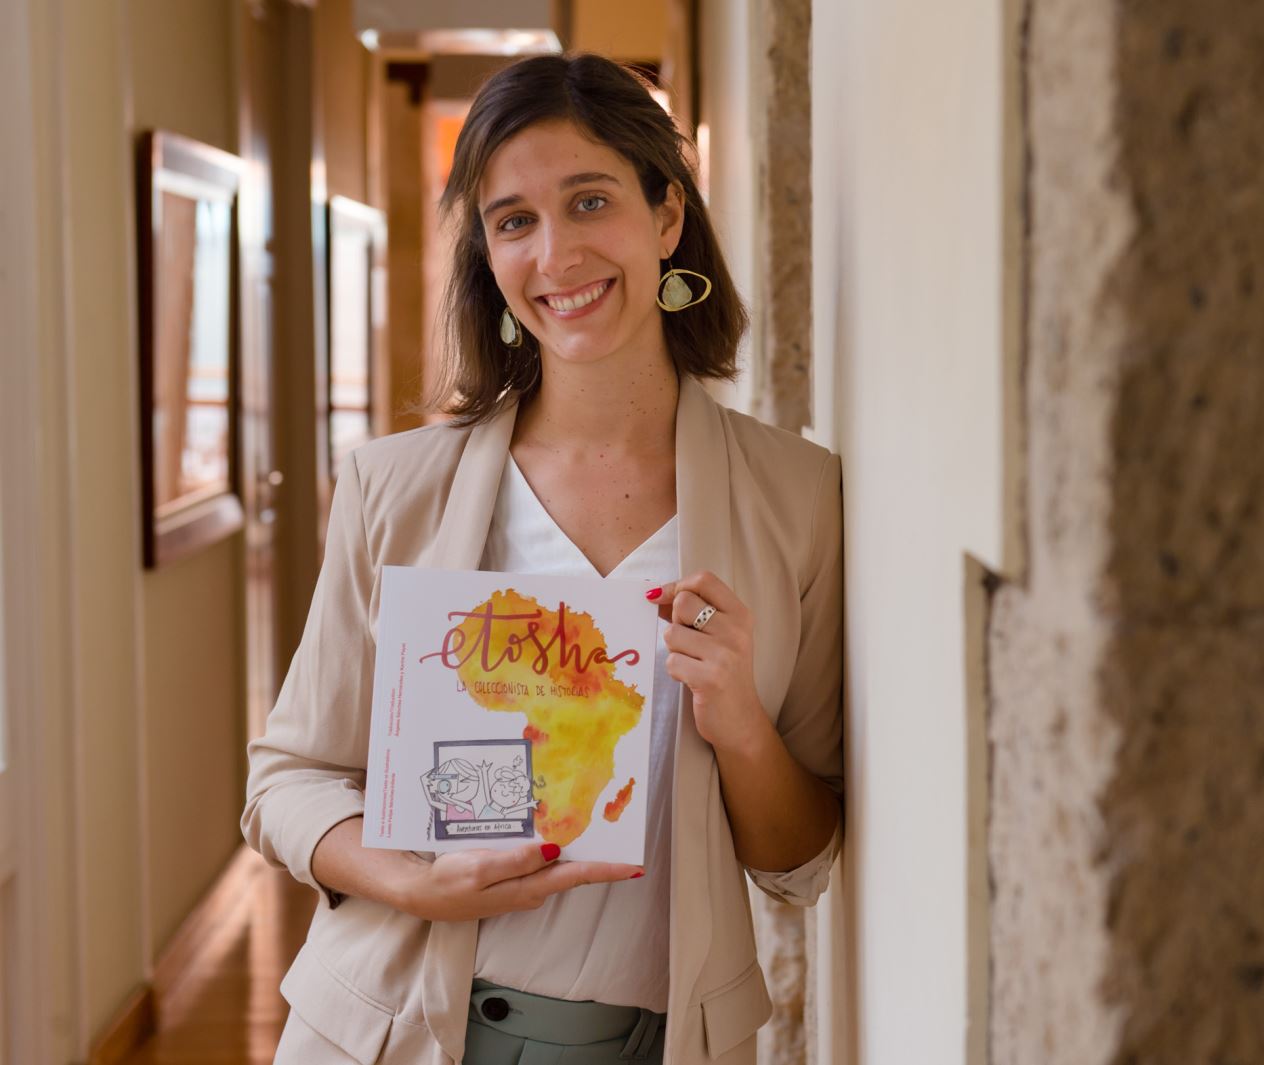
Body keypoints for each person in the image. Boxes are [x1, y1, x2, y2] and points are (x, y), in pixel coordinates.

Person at [240, 52, 845, 1065]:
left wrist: (738, 719)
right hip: (392, 1029)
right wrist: (406, 878)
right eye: (513, 220)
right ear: (487, 253)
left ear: (666, 217)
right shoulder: (395, 488)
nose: (555, 254)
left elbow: (800, 859)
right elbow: (287, 780)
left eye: (589, 200)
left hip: (659, 1043)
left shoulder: (796, 496)